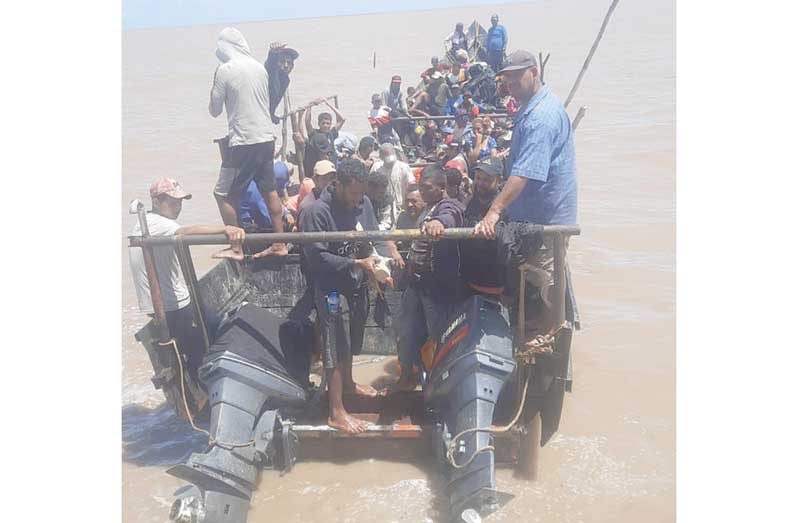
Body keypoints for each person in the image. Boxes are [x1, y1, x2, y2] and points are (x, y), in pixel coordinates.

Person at [474, 50, 577, 331]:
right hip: (532, 214)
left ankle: (547, 342)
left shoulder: (540, 117)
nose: (511, 84)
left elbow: (525, 173)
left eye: (517, 77)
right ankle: (534, 332)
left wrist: (494, 211)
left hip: (546, 221)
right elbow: (527, 158)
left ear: (534, 71)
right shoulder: (530, 105)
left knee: (545, 285)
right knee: (532, 279)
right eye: (507, 79)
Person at [299, 159, 393, 433]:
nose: (356, 202)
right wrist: (356, 264)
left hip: (356, 283)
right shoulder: (316, 212)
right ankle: (336, 412)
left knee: (351, 340)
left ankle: (350, 383)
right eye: (352, 195)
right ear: (337, 184)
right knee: (335, 347)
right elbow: (316, 257)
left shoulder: (362, 203)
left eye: (360, 195)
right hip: (331, 288)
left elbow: (373, 237)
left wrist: (381, 261)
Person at [129, 178, 246, 374]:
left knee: (201, 337)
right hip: (174, 304)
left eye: (180, 202)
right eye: (173, 202)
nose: (178, 207)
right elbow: (186, 231)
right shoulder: (159, 224)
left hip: (157, 305)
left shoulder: (145, 223)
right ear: (156, 202)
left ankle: (198, 373)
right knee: (222, 328)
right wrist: (225, 228)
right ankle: (217, 374)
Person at [209, 28, 287, 257]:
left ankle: (236, 247)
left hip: (242, 142)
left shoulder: (224, 70)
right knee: (270, 191)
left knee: (223, 194)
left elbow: (214, 110)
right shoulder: (259, 68)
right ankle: (280, 243)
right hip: (266, 139)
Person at [392, 165, 465, 392]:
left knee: (438, 336)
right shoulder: (427, 207)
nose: (421, 192)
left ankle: (439, 385)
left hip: (436, 287)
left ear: (441, 188)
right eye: (420, 188)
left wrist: (439, 223)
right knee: (405, 330)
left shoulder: (447, 205)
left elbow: (450, 217)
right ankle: (407, 377)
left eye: (426, 188)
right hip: (415, 283)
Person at [459, 157, 506, 295]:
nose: (480, 183)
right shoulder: (469, 203)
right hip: (467, 282)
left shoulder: (503, 208)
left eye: (487, 179)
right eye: (478, 178)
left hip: (496, 285)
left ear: (499, 181)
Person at [370, 143, 416, 224]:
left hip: (402, 208)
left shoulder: (403, 167)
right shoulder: (376, 168)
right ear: (381, 157)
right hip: (383, 207)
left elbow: (411, 185)